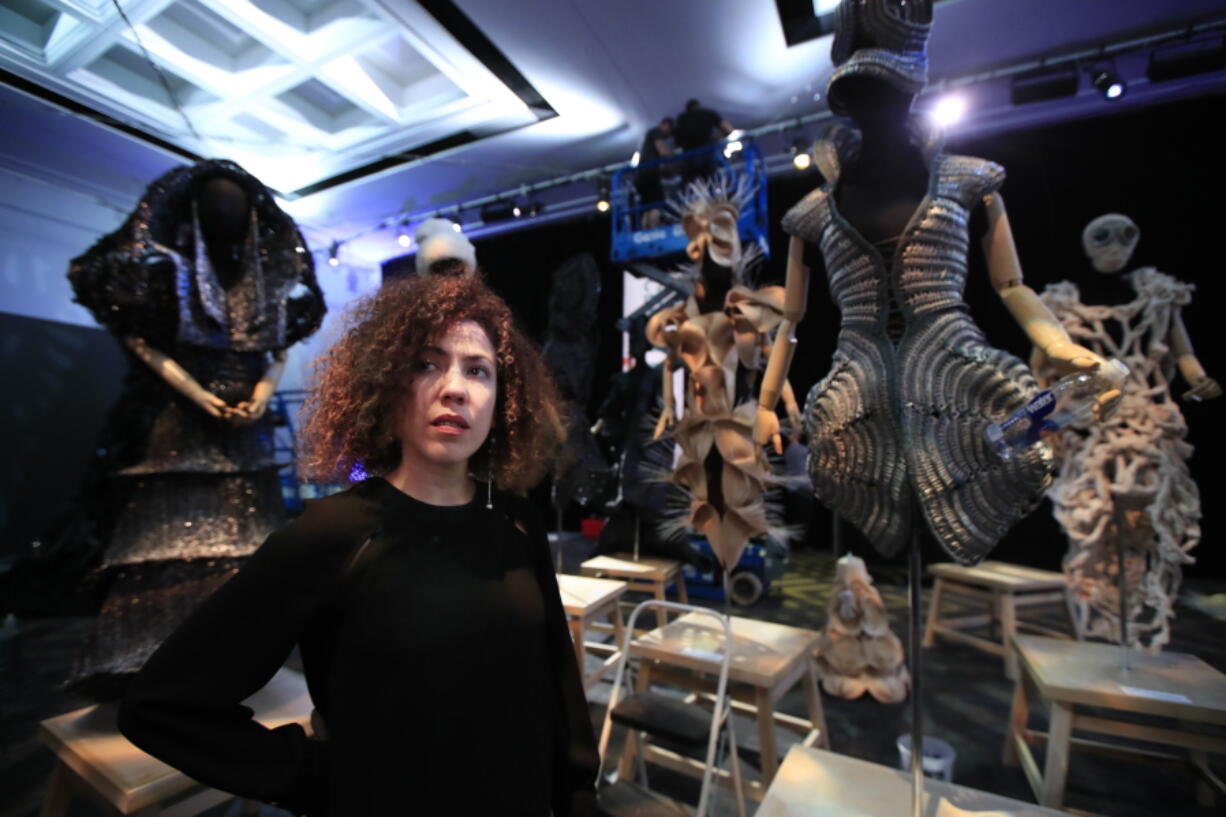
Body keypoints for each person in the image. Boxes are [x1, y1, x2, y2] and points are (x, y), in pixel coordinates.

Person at [118, 273, 599, 816]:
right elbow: (161, 705)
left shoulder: (515, 520)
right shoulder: (336, 532)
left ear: (502, 401)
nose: (455, 388)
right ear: (387, 385)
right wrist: (320, 778)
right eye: (426, 363)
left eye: (478, 370)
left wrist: (578, 793)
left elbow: (554, 674)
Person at [674, 99, 734, 184]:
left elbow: (677, 143)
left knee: (691, 188)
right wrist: (717, 138)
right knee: (712, 183)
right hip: (708, 153)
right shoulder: (709, 113)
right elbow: (728, 129)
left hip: (690, 157)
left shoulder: (681, 118)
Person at [634, 117, 674, 228]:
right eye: (669, 131)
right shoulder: (656, 132)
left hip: (641, 176)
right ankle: (654, 230)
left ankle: (645, 232)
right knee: (656, 204)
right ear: (665, 125)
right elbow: (663, 150)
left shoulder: (648, 138)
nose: (668, 136)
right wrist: (673, 155)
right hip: (650, 174)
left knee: (647, 206)